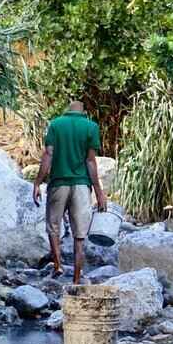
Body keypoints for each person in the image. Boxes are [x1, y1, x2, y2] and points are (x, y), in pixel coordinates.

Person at [32, 100, 107, 283]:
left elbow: (48, 154)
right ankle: (75, 279)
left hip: (58, 183)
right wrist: (99, 192)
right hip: (82, 185)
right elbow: (90, 161)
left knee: (53, 226)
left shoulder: (56, 125)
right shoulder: (91, 127)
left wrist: (37, 183)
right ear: (83, 111)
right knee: (79, 236)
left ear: (68, 110)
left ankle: (57, 265)